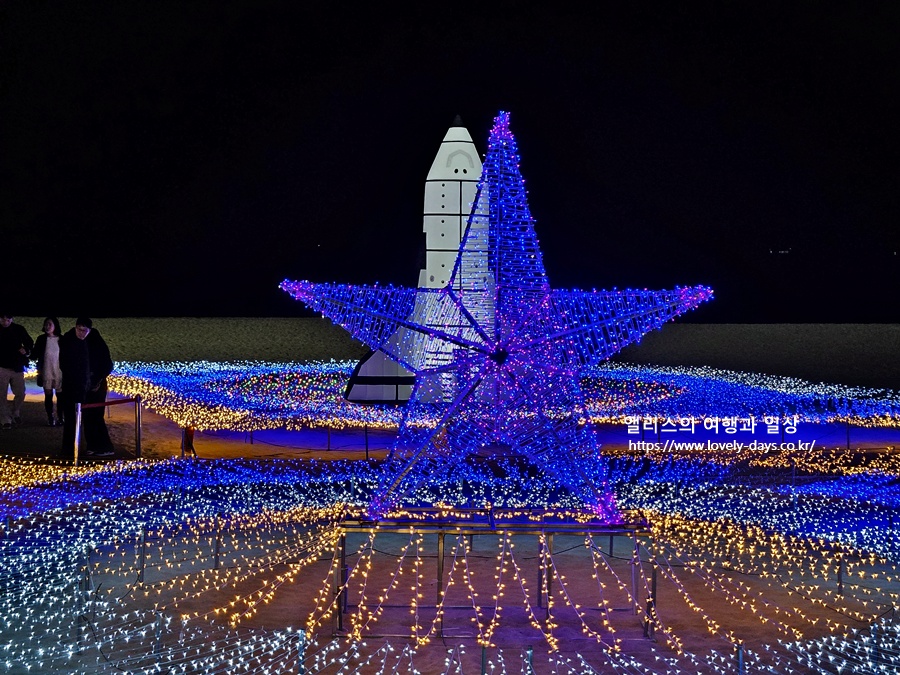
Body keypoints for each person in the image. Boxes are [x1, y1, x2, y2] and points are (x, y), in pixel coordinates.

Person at [59, 317, 114, 458]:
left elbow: (107, 364)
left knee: (94, 417)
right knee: (71, 418)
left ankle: (99, 446)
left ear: (90, 330)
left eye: (85, 331)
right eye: (79, 329)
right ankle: (69, 449)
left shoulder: (96, 341)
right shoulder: (68, 340)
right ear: (75, 327)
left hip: (95, 386)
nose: (82, 333)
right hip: (73, 386)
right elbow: (64, 364)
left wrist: (97, 380)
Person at [0, 314, 34, 430]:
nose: (5, 322)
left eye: (8, 319)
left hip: (17, 366)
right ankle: (5, 418)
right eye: (3, 319)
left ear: (11, 319)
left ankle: (15, 412)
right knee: (1, 394)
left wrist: (26, 350)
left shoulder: (19, 329)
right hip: (2, 366)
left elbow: (29, 342)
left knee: (20, 392)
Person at [32, 317, 64, 426]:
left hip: (59, 370)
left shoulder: (62, 339)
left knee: (60, 396)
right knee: (48, 395)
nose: (47, 327)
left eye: (50, 324)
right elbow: (35, 354)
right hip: (46, 370)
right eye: (46, 324)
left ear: (55, 325)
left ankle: (60, 417)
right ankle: (50, 417)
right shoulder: (41, 339)